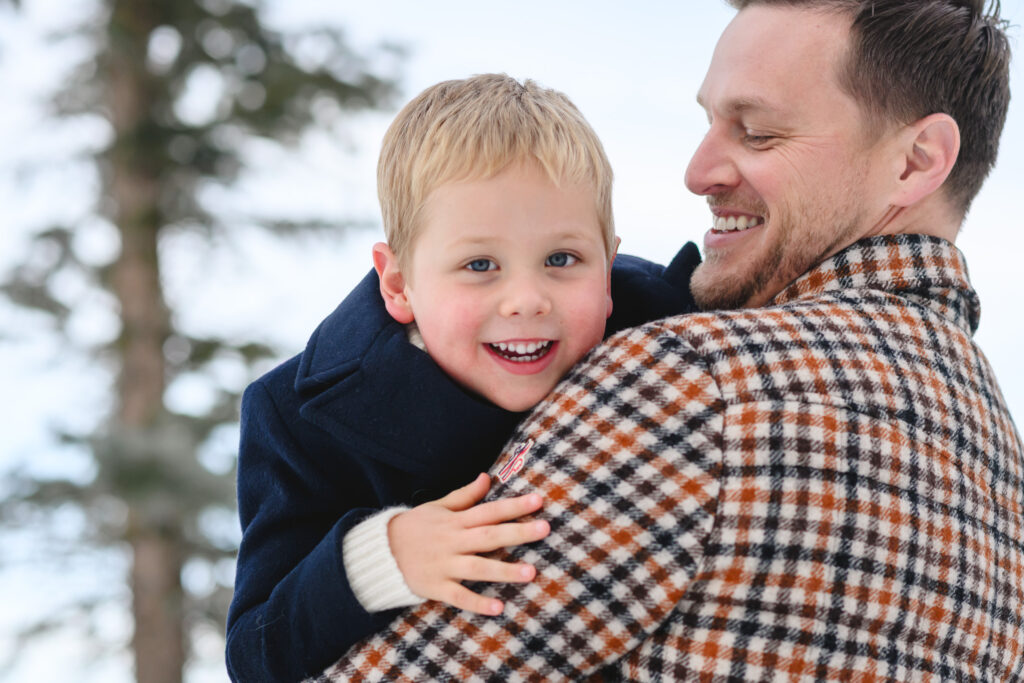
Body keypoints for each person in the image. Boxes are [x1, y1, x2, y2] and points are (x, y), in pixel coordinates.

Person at [316, 1, 1024, 680]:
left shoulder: (694, 380)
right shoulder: (1002, 465)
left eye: (757, 132)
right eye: (710, 122)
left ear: (916, 159)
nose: (698, 171)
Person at [225, 74, 702, 682]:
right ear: (398, 284)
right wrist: (384, 555)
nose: (527, 299)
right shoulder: (299, 419)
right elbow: (255, 656)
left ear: (606, 267)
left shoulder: (666, 331)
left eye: (562, 260)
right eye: (480, 265)